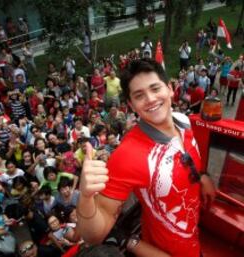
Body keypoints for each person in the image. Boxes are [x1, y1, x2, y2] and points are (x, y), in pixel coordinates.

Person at [77, 59, 215, 257]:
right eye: (139, 95)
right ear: (132, 105)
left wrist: (201, 176)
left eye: (155, 88)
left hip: (194, 238)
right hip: (165, 250)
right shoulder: (127, 155)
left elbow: (184, 159)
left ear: (169, 89)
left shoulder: (184, 121)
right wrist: (85, 197)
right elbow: (94, 236)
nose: (150, 99)